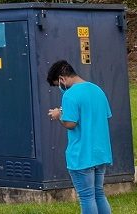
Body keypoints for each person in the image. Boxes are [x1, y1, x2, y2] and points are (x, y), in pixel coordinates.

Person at [47, 60, 113, 214]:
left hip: (81, 154)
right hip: (100, 151)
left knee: (86, 196)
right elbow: (105, 116)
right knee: (99, 194)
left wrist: (59, 115)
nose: (60, 88)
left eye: (58, 84)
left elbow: (70, 123)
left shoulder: (70, 95)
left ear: (62, 79)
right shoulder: (97, 90)